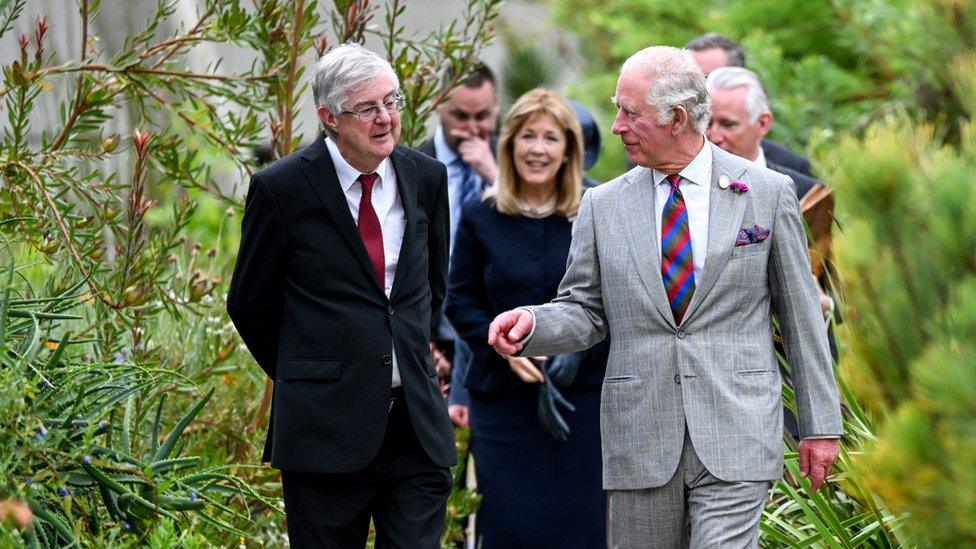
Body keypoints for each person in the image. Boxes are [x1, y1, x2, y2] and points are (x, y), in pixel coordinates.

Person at [488, 46, 843, 547]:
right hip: (641, 437)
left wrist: (820, 426)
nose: (615, 126)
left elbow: (801, 315)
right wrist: (533, 324)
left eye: (629, 112)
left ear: (676, 117)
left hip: (736, 432)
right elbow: (585, 310)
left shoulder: (766, 192)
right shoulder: (603, 205)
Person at [227, 42, 454, 548]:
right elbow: (249, 303)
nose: (386, 119)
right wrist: (313, 373)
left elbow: (431, 286)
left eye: (392, 102)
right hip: (324, 433)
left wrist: (413, 356)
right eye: (367, 108)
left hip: (415, 428)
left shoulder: (426, 177)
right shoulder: (282, 189)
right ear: (329, 117)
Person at [446, 89, 608, 548]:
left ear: (569, 150)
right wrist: (499, 347)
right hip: (503, 404)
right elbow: (460, 301)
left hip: (583, 401)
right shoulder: (483, 214)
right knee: (510, 527)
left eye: (551, 138)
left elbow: (621, 301)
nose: (538, 148)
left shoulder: (598, 211)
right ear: (510, 143)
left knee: (582, 527)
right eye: (527, 136)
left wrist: (577, 348)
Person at [419, 64, 501, 429]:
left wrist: (496, 176)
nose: (471, 128)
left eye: (482, 116)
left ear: (497, 108)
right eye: (461, 116)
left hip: (495, 339)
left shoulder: (516, 162)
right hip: (428, 340)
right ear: (439, 105)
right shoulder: (412, 166)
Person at [685, 32, 814, 177]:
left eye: (706, 78)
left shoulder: (793, 172)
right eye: (690, 82)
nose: (697, 92)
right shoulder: (670, 163)